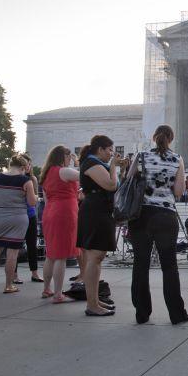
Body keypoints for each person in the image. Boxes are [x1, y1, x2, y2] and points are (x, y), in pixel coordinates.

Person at [127, 125, 188, 325]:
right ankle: (176, 314)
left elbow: (128, 180)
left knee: (140, 264)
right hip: (165, 215)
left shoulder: (141, 156)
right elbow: (179, 191)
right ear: (170, 139)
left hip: (141, 215)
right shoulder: (177, 159)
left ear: (154, 138)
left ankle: (142, 313)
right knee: (169, 266)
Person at [0, 155, 37, 293]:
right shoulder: (26, 181)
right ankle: (9, 285)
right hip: (19, 217)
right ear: (22, 167)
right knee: (12, 253)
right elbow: (32, 202)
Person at [77, 135, 122, 316]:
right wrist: (113, 166)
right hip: (95, 212)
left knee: (96, 257)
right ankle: (92, 304)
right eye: (110, 150)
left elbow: (114, 184)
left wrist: (117, 169)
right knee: (95, 257)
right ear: (100, 149)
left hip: (99, 211)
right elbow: (111, 185)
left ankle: (94, 301)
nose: (112, 153)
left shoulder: (96, 164)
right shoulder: (91, 163)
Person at [40, 146, 80, 303]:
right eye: (68, 155)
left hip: (50, 211)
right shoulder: (64, 171)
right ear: (62, 156)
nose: (70, 158)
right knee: (61, 256)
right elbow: (85, 175)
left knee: (51, 254)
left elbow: (46, 198)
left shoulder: (46, 173)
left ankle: (46, 288)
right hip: (64, 212)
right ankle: (58, 294)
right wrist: (78, 163)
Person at [13, 153, 41, 284]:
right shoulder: (15, 178)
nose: (29, 166)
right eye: (26, 164)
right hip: (18, 214)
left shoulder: (32, 179)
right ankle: (14, 274)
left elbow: (34, 198)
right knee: (16, 246)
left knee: (32, 245)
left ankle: (34, 273)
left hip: (30, 214)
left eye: (30, 164)